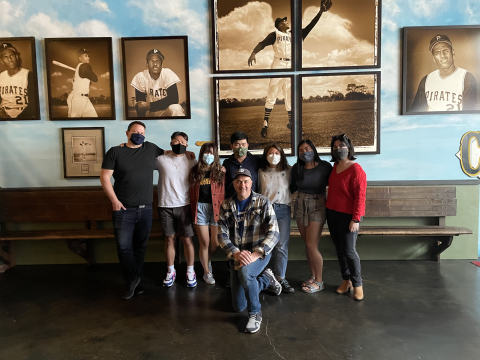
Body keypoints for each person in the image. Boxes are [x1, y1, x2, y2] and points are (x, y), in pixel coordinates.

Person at [247, 0, 332, 137]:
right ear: (280, 25)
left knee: (289, 96)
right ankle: (265, 124)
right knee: (272, 95)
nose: (287, 22)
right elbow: (262, 43)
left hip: (291, 67)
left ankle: (291, 123)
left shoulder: (296, 34)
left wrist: (320, 12)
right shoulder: (275, 34)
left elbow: (310, 26)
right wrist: (253, 53)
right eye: (284, 21)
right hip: (278, 65)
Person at [100, 121, 164, 299]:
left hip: (146, 210)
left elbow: (168, 154)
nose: (139, 134)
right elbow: (104, 177)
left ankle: (135, 282)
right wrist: (114, 200)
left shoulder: (150, 148)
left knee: (140, 247)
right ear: (127, 133)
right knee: (123, 247)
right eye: (135, 131)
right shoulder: (116, 152)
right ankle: (133, 279)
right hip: (123, 210)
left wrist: (188, 154)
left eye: (142, 132)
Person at [218, 168, 281, 334]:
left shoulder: (263, 201)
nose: (242, 185)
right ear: (234, 183)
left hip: (259, 254)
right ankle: (266, 279)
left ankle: (255, 313)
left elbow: (274, 232)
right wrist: (236, 253)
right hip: (237, 256)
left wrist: (256, 254)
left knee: (246, 273)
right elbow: (221, 235)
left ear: (251, 183)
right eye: (238, 181)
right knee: (238, 306)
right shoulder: (226, 205)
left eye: (246, 181)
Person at [326, 134, 367, 301]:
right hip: (332, 213)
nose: (338, 149)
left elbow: (360, 197)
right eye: (335, 147)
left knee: (349, 251)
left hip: (349, 217)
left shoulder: (356, 170)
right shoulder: (334, 167)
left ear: (349, 147)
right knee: (340, 250)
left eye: (341, 146)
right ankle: (346, 280)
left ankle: (358, 285)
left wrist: (356, 219)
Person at [290, 139, 332, 293]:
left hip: (318, 204)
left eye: (307, 149)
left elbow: (334, 184)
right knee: (307, 244)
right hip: (300, 203)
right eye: (301, 150)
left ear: (313, 149)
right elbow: (291, 187)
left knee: (311, 245)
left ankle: (320, 282)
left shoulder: (325, 167)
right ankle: (313, 276)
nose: (304, 152)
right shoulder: (297, 168)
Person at [156, 131, 197, 288]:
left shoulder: (192, 161)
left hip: (185, 205)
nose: (179, 143)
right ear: (171, 143)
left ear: (187, 144)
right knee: (169, 239)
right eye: (175, 141)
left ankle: (190, 271)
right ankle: (170, 270)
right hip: (165, 205)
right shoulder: (161, 160)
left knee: (187, 239)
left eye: (182, 141)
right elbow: (144, 157)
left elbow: (206, 171)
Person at [258, 142, 294, 293]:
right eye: (271, 153)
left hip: (283, 209)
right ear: (266, 155)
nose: (274, 156)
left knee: (281, 245)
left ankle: (280, 277)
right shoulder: (260, 172)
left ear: (282, 155)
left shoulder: (289, 170)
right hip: (266, 210)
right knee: (265, 244)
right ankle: (265, 277)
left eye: (277, 153)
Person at [411, 34, 477, 112]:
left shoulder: (467, 78)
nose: (442, 56)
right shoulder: (426, 80)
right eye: (437, 53)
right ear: (434, 58)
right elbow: (416, 112)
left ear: (453, 52)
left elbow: (469, 114)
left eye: (445, 51)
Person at [189, 142, 225, 285]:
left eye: (211, 153)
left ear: (215, 155)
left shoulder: (220, 172)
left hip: (216, 208)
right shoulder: (195, 171)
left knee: (215, 244)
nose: (208, 156)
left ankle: (206, 260)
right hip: (200, 208)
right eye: (206, 152)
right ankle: (206, 272)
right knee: (205, 242)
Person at [131, 48, 185, 117]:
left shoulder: (168, 73)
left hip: (168, 111)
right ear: (147, 64)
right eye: (151, 61)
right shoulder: (140, 76)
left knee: (176, 108)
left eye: (158, 61)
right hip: (153, 114)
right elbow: (141, 107)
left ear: (162, 64)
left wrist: (149, 105)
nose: (155, 64)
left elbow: (174, 99)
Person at [0, 42, 38, 119]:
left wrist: (15, 120)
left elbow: (33, 105)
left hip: (23, 115)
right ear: (2, 61)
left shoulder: (29, 75)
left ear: (16, 56)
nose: (10, 60)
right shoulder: (0, 77)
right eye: (5, 57)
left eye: (11, 56)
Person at [223, 132, 260, 199]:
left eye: (243, 144)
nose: (241, 147)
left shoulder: (256, 161)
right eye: (237, 144)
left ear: (247, 145)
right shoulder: (227, 163)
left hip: (253, 202)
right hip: (232, 203)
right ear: (232, 146)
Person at [67, 48, 98, 118]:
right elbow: (95, 79)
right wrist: (89, 77)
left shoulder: (79, 68)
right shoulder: (85, 66)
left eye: (88, 56)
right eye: (86, 56)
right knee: (73, 124)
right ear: (80, 58)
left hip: (85, 99)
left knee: (94, 119)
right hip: (77, 99)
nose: (88, 58)